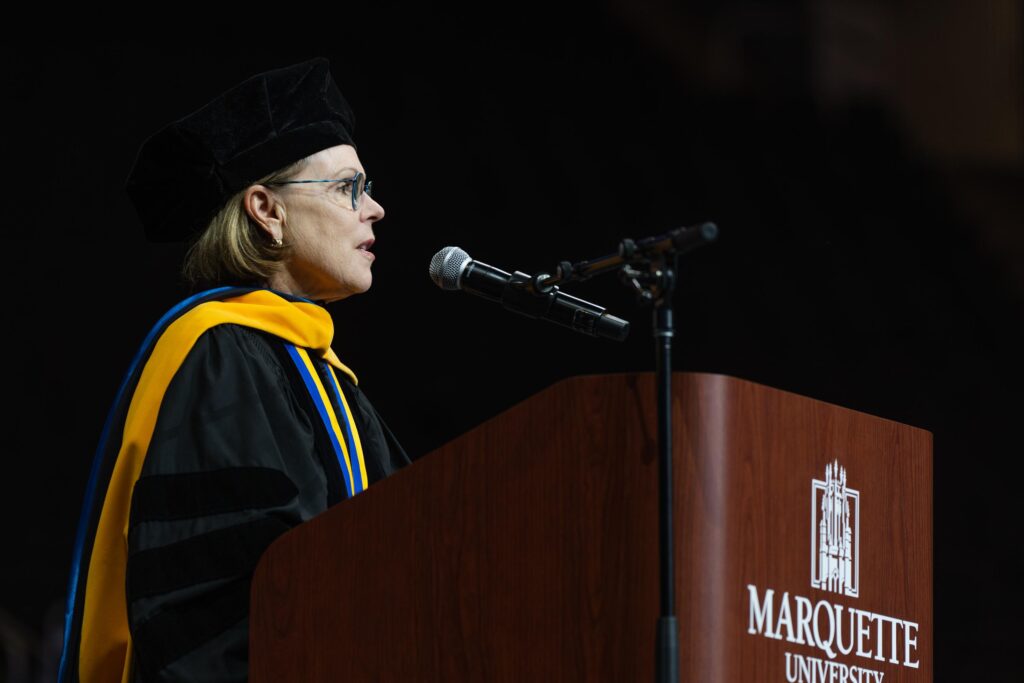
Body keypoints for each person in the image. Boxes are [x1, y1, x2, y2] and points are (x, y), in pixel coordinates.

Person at [57, 57, 411, 683]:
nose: (375, 208)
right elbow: (211, 608)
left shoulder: (329, 380)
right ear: (265, 210)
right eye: (347, 188)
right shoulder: (217, 353)